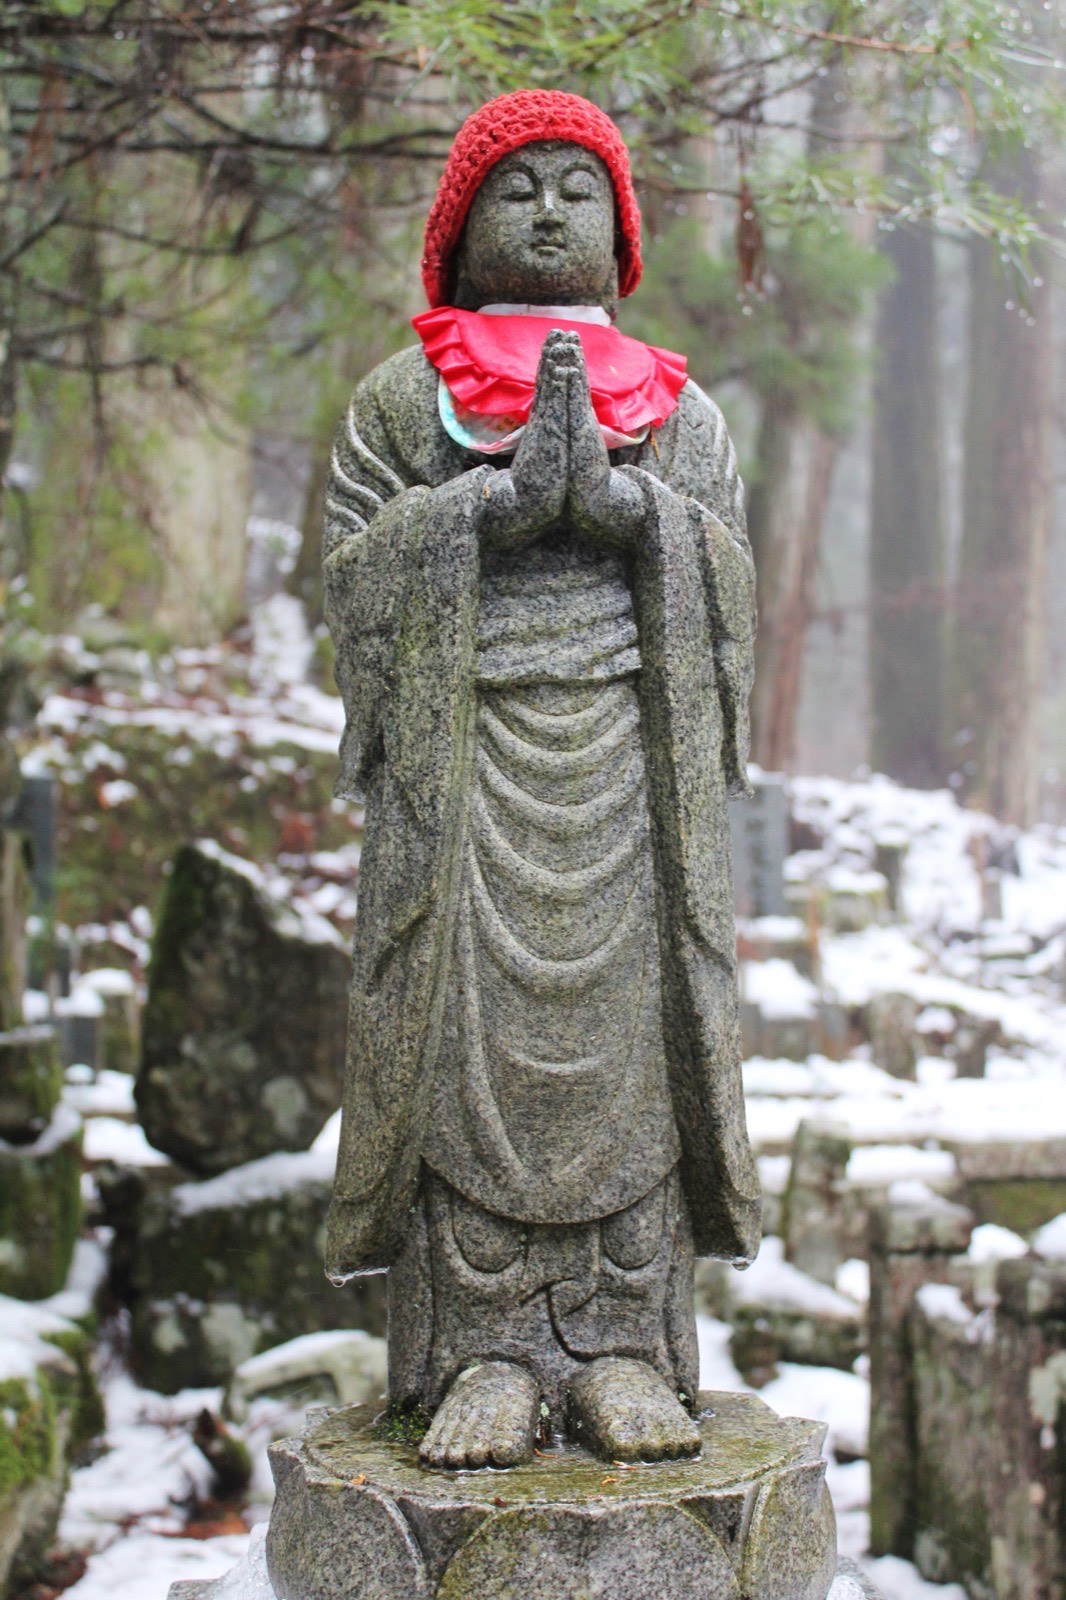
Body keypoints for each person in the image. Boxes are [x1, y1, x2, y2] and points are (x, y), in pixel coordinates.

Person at [321, 89, 761, 1470]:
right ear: (458, 231)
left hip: (631, 765)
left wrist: (636, 515)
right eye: (517, 189)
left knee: (633, 1049)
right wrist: (485, 512)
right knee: (460, 1048)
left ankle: (627, 1346)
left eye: (579, 187)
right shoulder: (404, 401)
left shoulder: (674, 408)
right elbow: (347, 576)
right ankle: (478, 1356)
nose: (552, 210)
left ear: (621, 230)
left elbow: (731, 579)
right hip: (466, 771)